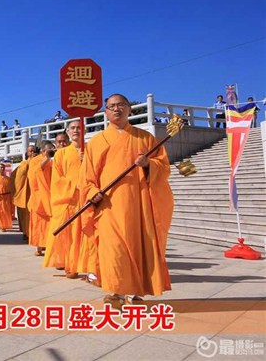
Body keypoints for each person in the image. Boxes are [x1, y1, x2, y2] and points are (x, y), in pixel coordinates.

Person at [81, 94, 174, 307]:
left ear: (129, 109)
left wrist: (148, 164)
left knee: (137, 247)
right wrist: (93, 191)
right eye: (112, 106)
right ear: (105, 112)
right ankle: (115, 291)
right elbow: (86, 178)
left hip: (138, 205)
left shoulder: (145, 138)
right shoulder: (96, 143)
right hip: (108, 206)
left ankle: (133, 293)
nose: (117, 109)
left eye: (121, 105)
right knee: (114, 250)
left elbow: (163, 167)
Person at [43, 123, 83, 278]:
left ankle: (90, 265)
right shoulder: (61, 154)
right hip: (68, 200)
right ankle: (71, 264)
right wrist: (74, 184)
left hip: (88, 197)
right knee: (69, 235)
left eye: (79, 127)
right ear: (68, 132)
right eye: (72, 128)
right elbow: (57, 180)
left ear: (85, 129)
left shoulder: (91, 149)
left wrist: (86, 161)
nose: (76, 130)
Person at [29, 141, 54, 257]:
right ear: (43, 151)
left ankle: (50, 245)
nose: (51, 152)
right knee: (39, 224)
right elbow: (35, 173)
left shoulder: (53, 160)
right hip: (39, 198)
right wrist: (47, 158)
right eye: (49, 150)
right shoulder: (35, 161)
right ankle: (39, 247)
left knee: (49, 225)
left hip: (51, 196)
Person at [12, 145, 37, 241]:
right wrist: (31, 162)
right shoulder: (24, 163)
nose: (32, 153)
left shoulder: (39, 161)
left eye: (34, 151)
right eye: (30, 151)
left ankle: (34, 234)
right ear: (27, 153)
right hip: (26, 194)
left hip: (36, 193)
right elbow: (19, 177)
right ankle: (26, 233)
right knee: (26, 216)